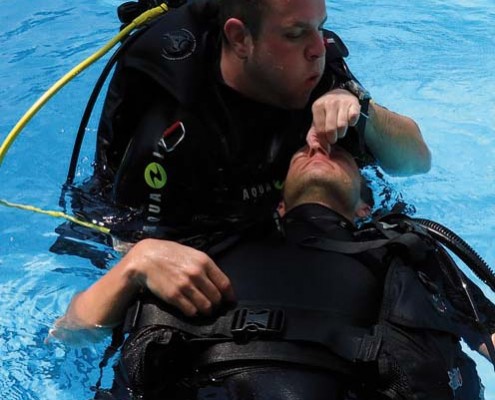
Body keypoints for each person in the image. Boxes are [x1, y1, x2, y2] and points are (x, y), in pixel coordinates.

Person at [54, 144, 494, 400]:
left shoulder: (406, 248)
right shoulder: (196, 245)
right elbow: (69, 333)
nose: (319, 146)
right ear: (278, 202)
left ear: (365, 206)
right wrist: (135, 263)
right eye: (303, 149)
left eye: (339, 152)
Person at [73, 0, 430, 250]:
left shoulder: (313, 69)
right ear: (240, 39)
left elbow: (416, 162)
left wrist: (361, 110)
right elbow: (127, 242)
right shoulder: (175, 126)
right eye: (295, 34)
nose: (318, 49)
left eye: (319, 27)